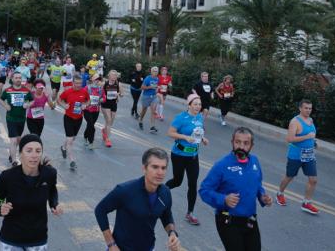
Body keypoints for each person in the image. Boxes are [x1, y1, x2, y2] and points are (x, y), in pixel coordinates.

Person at [199, 127, 273, 251]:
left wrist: (263, 197)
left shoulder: (255, 161)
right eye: (238, 142)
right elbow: (204, 190)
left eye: (246, 143)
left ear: (251, 145)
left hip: (250, 219)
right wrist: (224, 199)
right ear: (232, 142)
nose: (241, 146)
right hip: (228, 220)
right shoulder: (222, 165)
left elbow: (257, 184)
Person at [94, 148, 181, 251]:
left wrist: (172, 233)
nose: (160, 172)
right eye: (155, 167)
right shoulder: (125, 190)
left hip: (148, 248)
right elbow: (100, 210)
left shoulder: (165, 193)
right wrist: (111, 244)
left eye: (163, 168)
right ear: (144, 168)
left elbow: (166, 215)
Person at [0, 134, 63, 250]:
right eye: (29, 151)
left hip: (38, 239)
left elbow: (52, 190)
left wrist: (55, 204)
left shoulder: (49, 174)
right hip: (11, 239)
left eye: (38, 151)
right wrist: (0, 210)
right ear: (20, 154)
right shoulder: (7, 177)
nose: (34, 155)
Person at [165, 94, 209, 225]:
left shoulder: (200, 117)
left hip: (193, 156)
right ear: (189, 105)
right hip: (179, 155)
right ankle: (159, 191)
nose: (198, 107)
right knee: (177, 181)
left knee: (193, 184)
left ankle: (190, 213)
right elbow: (170, 133)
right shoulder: (181, 118)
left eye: (199, 104)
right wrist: (184, 137)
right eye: (195, 104)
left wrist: (203, 139)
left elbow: (199, 132)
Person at [276, 99, 319, 215]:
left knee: (313, 180)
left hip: (309, 155)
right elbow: (290, 139)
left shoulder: (310, 120)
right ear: (300, 108)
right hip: (296, 155)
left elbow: (311, 135)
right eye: (306, 108)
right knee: (289, 176)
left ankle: (306, 203)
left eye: (310, 108)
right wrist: (307, 137)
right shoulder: (295, 122)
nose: (308, 110)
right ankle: (280, 193)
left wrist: (313, 142)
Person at [0, 72, 33, 167]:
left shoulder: (26, 90)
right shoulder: (8, 90)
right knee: (13, 140)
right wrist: (6, 105)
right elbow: (0, 99)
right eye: (16, 78)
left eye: (19, 78)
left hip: (21, 119)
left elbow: (32, 100)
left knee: (18, 139)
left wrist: (28, 105)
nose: (18, 79)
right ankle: (14, 160)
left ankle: (11, 154)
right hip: (11, 118)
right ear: (12, 79)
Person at [57, 74, 89, 170]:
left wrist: (85, 105)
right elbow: (59, 99)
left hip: (79, 119)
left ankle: (63, 147)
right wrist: (63, 105)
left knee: (72, 138)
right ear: (73, 83)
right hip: (68, 118)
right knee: (70, 141)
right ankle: (72, 161)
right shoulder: (68, 92)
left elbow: (88, 100)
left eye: (80, 83)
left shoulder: (84, 92)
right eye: (76, 83)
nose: (78, 85)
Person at [101, 70, 122, 148]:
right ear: (109, 76)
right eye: (112, 75)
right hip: (105, 104)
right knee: (109, 120)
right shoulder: (104, 84)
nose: (113, 77)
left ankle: (104, 130)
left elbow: (122, 94)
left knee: (110, 122)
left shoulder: (118, 84)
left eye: (115, 75)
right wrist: (103, 97)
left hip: (113, 104)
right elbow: (99, 93)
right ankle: (108, 139)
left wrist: (119, 94)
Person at [83, 74, 102, 150]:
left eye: (98, 80)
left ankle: (85, 136)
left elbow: (104, 98)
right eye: (96, 79)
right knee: (91, 126)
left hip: (96, 110)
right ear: (92, 80)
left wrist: (102, 100)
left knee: (90, 125)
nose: (97, 81)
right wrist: (85, 102)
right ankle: (91, 142)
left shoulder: (100, 89)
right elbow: (82, 97)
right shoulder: (87, 88)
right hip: (87, 110)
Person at [139, 66, 160, 134]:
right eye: (154, 71)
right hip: (146, 96)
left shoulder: (157, 79)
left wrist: (157, 89)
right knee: (144, 110)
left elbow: (156, 87)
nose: (155, 72)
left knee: (153, 110)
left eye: (156, 71)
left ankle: (152, 126)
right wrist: (150, 87)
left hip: (153, 97)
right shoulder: (148, 78)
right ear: (151, 72)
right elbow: (142, 87)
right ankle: (141, 120)